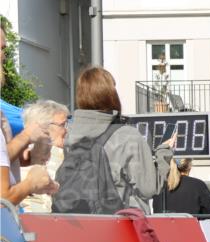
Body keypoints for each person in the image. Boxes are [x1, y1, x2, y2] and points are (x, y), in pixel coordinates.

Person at [54, 67, 173, 214]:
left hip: (78, 222)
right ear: (111, 94)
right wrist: (164, 154)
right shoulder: (128, 136)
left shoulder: (68, 134)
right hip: (119, 225)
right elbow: (149, 188)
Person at [20, 100, 70, 213]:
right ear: (43, 126)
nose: (67, 129)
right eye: (63, 125)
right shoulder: (57, 155)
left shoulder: (17, 158)